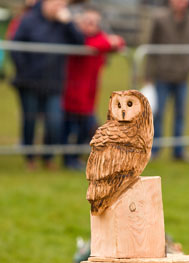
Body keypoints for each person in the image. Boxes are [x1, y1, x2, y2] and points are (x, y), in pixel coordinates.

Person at [11, 0, 84, 171]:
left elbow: (79, 42)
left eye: (62, 4)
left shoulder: (63, 25)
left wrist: (69, 23)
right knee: (30, 121)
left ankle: (48, 156)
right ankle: (29, 158)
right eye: (55, 3)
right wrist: (25, 71)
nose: (58, 7)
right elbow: (16, 47)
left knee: (54, 122)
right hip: (29, 82)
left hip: (54, 83)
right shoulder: (28, 20)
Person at [62, 5, 125, 170]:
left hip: (88, 96)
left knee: (87, 129)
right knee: (68, 129)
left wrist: (111, 42)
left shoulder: (98, 38)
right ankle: (68, 159)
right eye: (87, 21)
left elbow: (119, 42)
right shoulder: (76, 39)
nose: (91, 25)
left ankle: (77, 158)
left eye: (95, 22)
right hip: (70, 94)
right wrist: (107, 42)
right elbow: (93, 45)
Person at [145, 0, 189, 162]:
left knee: (180, 114)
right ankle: (154, 149)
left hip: (183, 76)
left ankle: (178, 150)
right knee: (158, 113)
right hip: (162, 75)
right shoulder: (159, 18)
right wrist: (148, 74)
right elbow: (150, 47)